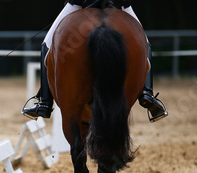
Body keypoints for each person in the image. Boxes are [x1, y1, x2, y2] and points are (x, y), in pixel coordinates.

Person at [22, 0, 168, 123]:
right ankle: (147, 95)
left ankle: (45, 103)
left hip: (80, 3)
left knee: (47, 44)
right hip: (118, 4)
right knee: (145, 43)